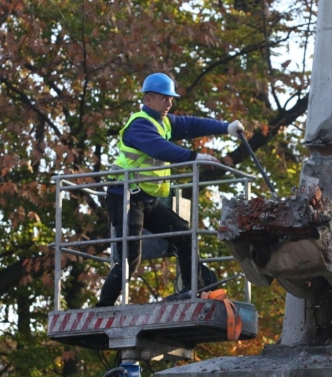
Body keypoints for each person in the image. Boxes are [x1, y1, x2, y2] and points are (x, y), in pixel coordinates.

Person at [96, 72, 244, 307]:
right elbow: (159, 148)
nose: (169, 103)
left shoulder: (163, 122)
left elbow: (192, 124)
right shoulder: (139, 125)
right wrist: (195, 156)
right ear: (148, 100)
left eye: (171, 99)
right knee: (129, 260)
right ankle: (102, 308)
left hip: (146, 199)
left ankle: (192, 289)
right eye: (164, 98)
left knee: (184, 236)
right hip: (124, 196)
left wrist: (226, 128)